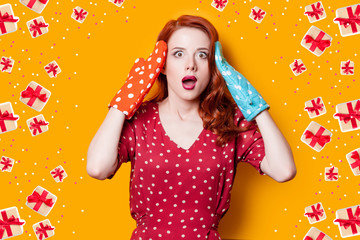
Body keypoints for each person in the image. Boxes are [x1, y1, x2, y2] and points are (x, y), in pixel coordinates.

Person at [87, 15, 296, 240]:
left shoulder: (228, 119)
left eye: (202, 55)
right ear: (162, 66)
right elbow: (98, 168)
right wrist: (125, 100)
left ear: (213, 66)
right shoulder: (141, 120)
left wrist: (254, 104)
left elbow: (284, 170)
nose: (191, 64)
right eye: (179, 54)